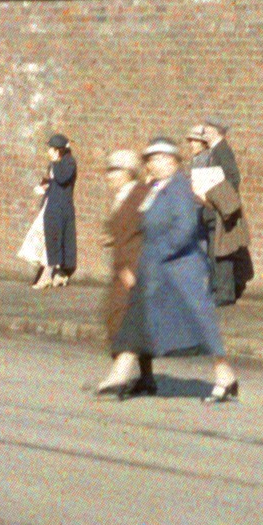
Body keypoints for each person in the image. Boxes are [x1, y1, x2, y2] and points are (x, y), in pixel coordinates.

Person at [99, 138, 240, 403]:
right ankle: (120, 374)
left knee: (201, 325)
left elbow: (184, 230)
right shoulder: (156, 188)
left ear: (174, 161)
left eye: (161, 158)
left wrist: (156, 254)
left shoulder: (179, 188)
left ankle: (225, 375)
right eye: (152, 159)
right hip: (157, 271)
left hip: (181, 270)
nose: (156, 163)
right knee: (136, 319)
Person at [93, 148, 156, 397]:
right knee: (125, 319)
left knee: (120, 319)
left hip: (132, 271)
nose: (109, 176)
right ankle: (146, 378)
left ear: (128, 172)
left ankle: (119, 376)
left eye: (114, 170)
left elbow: (150, 233)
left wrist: (135, 269)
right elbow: (123, 227)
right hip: (122, 269)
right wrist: (111, 235)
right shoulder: (123, 195)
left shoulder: (140, 194)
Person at [186, 125, 250, 307]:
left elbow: (231, 179)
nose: (191, 144)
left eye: (194, 140)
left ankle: (224, 292)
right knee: (214, 251)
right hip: (209, 208)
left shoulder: (217, 153)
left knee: (221, 251)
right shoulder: (208, 155)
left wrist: (220, 200)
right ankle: (217, 289)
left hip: (217, 209)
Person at [39, 132, 78, 287]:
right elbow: (52, 180)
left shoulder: (69, 162)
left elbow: (62, 178)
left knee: (61, 238)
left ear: (57, 150)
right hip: (52, 204)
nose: (48, 151)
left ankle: (58, 273)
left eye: (51, 148)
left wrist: (55, 163)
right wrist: (43, 185)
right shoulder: (53, 164)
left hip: (62, 206)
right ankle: (53, 273)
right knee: (51, 237)